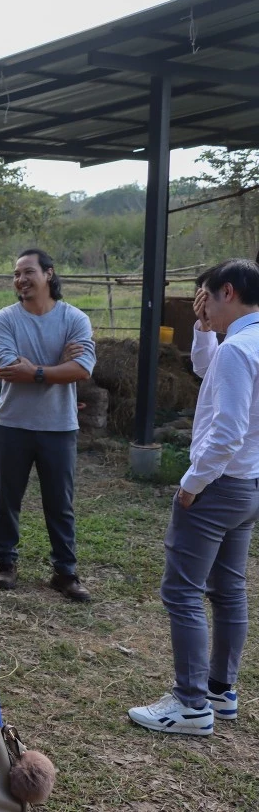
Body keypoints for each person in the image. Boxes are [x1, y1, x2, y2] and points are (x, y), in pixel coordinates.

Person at [128, 259, 259, 736]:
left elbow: (226, 432)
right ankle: (220, 692)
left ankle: (189, 703)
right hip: (247, 486)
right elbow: (208, 370)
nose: (197, 306)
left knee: (182, 591)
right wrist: (203, 328)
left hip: (217, 486)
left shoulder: (240, 349)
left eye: (203, 297)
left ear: (227, 291)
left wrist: (191, 484)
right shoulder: (244, 344)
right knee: (228, 591)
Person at [0, 248, 95, 601]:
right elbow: (8, 368)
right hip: (13, 424)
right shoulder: (4, 319)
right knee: (7, 498)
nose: (20, 279)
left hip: (60, 426)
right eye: (16, 274)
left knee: (60, 503)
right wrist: (56, 369)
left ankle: (65, 572)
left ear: (49, 274)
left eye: (28, 271)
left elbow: (82, 369)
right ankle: (5, 563)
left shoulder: (74, 319)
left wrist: (34, 370)